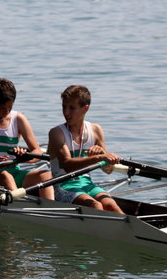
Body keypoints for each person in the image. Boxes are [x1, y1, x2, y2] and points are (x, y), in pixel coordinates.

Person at [0, 78, 54, 198]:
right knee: (5, 175)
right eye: (2, 108)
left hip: (14, 171)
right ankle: (20, 205)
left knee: (46, 175)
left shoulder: (18, 118)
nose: (6, 111)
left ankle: (49, 210)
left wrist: (24, 158)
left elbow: (37, 151)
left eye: (10, 107)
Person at [46, 85, 124, 213]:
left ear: (85, 108)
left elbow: (108, 170)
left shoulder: (95, 130)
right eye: (64, 107)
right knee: (95, 206)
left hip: (86, 183)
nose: (66, 113)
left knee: (111, 205)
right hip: (62, 185)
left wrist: (103, 154)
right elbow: (67, 165)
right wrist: (98, 158)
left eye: (72, 108)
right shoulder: (56, 133)